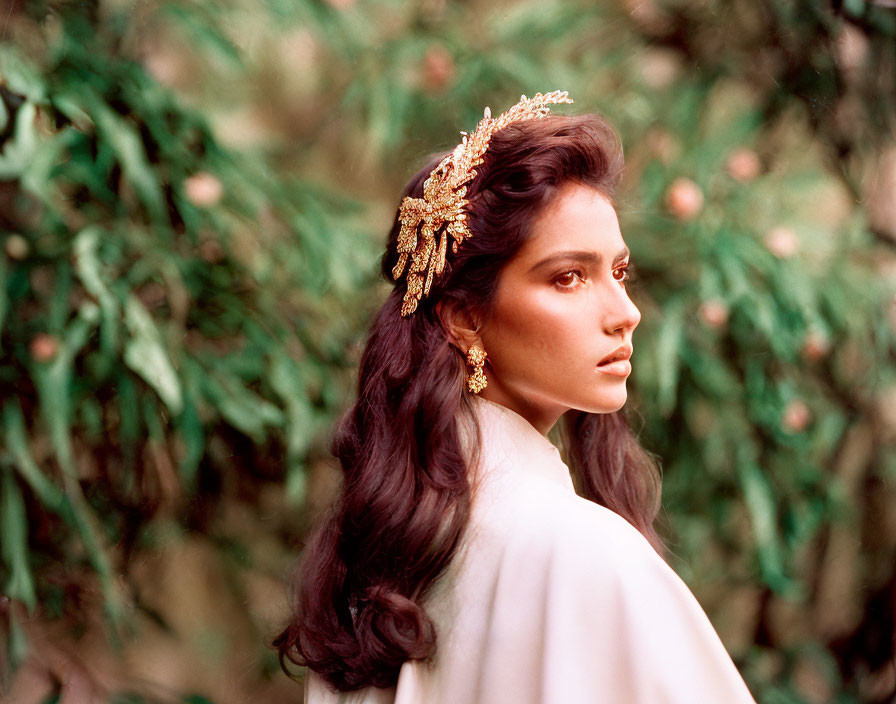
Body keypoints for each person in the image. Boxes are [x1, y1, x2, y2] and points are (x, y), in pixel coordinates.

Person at [274, 91, 758, 703]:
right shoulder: (587, 555)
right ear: (465, 319)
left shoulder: (372, 578)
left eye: (620, 272)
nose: (625, 313)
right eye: (568, 277)